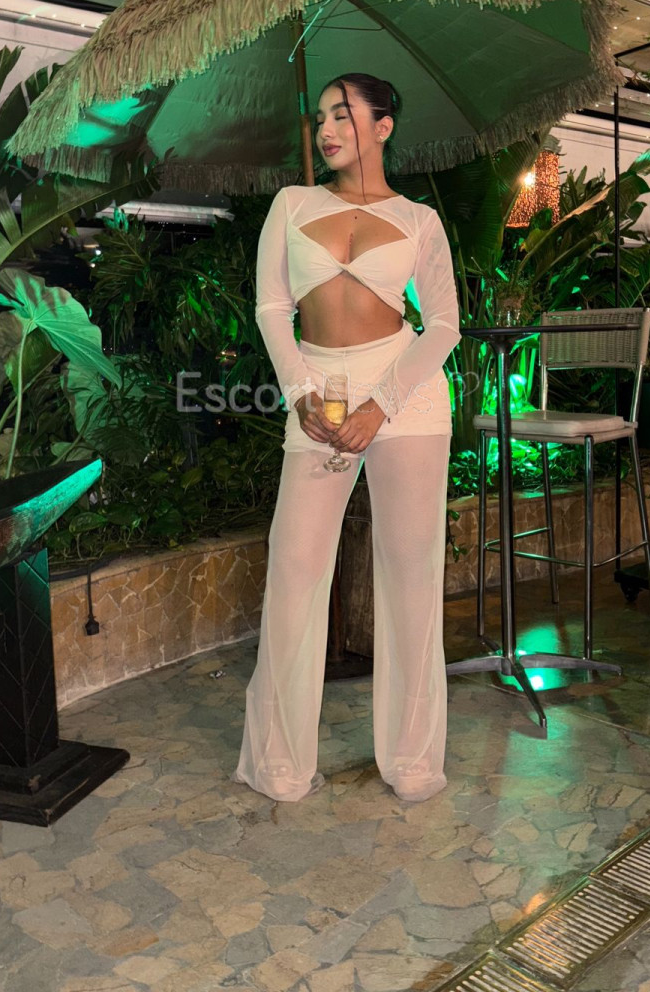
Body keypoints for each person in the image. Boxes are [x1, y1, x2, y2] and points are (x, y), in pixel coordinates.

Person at [231, 72, 461, 803]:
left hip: (405, 398)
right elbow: (272, 308)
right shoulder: (292, 205)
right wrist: (300, 393)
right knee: (294, 569)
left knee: (411, 576)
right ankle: (279, 760)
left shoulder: (419, 220)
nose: (326, 130)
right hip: (319, 398)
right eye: (320, 117)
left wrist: (381, 405)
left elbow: (444, 326)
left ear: (383, 126)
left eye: (343, 116)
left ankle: (412, 758)